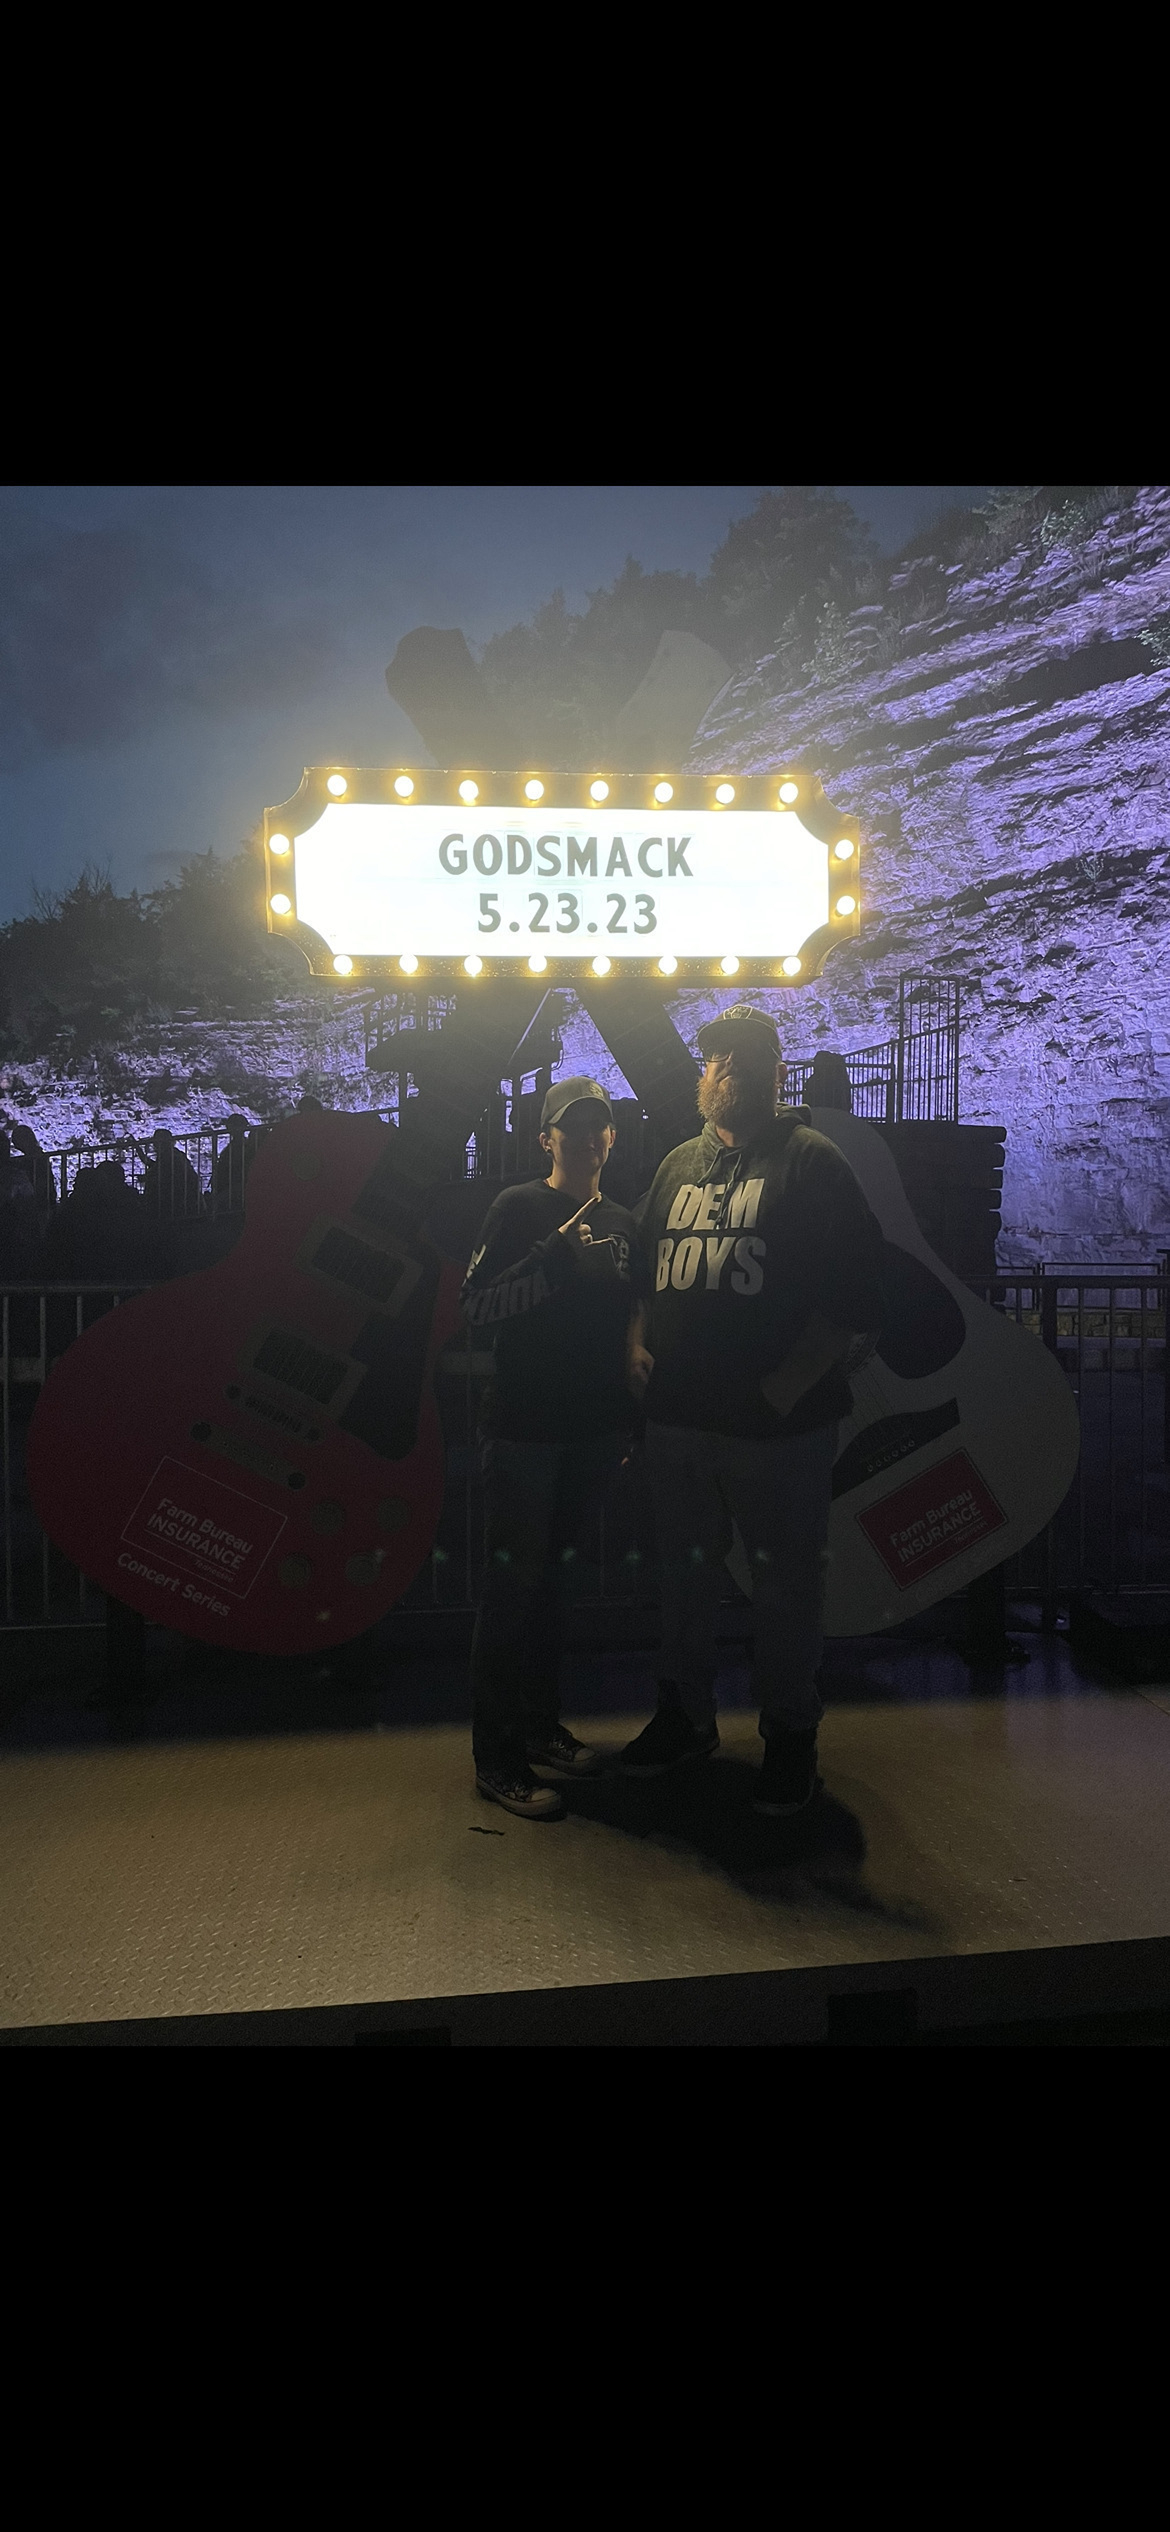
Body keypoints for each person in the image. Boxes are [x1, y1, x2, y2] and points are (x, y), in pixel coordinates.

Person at [619, 1003, 884, 1815]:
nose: (723, 1068)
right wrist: (636, 1343)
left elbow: (857, 1290)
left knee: (786, 1588)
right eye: (715, 1058)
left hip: (777, 1434)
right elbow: (641, 1272)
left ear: (775, 1071)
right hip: (680, 1424)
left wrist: (784, 1388)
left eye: (739, 1056)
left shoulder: (812, 1161)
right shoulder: (676, 1166)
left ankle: (791, 1737)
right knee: (684, 1582)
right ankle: (685, 1717)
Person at [460, 1077, 652, 1820]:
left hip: (592, 1434)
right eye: (570, 1126)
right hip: (524, 1433)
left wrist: (630, 1391)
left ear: (611, 1138)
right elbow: (476, 1307)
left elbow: (633, 1311)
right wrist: (552, 1259)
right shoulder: (517, 1209)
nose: (586, 1137)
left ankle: (539, 1730)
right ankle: (497, 1759)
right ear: (546, 1139)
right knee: (512, 1594)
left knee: (554, 1593)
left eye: (598, 1125)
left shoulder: (625, 1222)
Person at [140, 1128, 203, 1219]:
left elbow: (164, 1174)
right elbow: (155, 1166)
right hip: (181, 1198)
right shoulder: (173, 1154)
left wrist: (149, 1177)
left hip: (174, 1199)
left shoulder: (169, 1156)